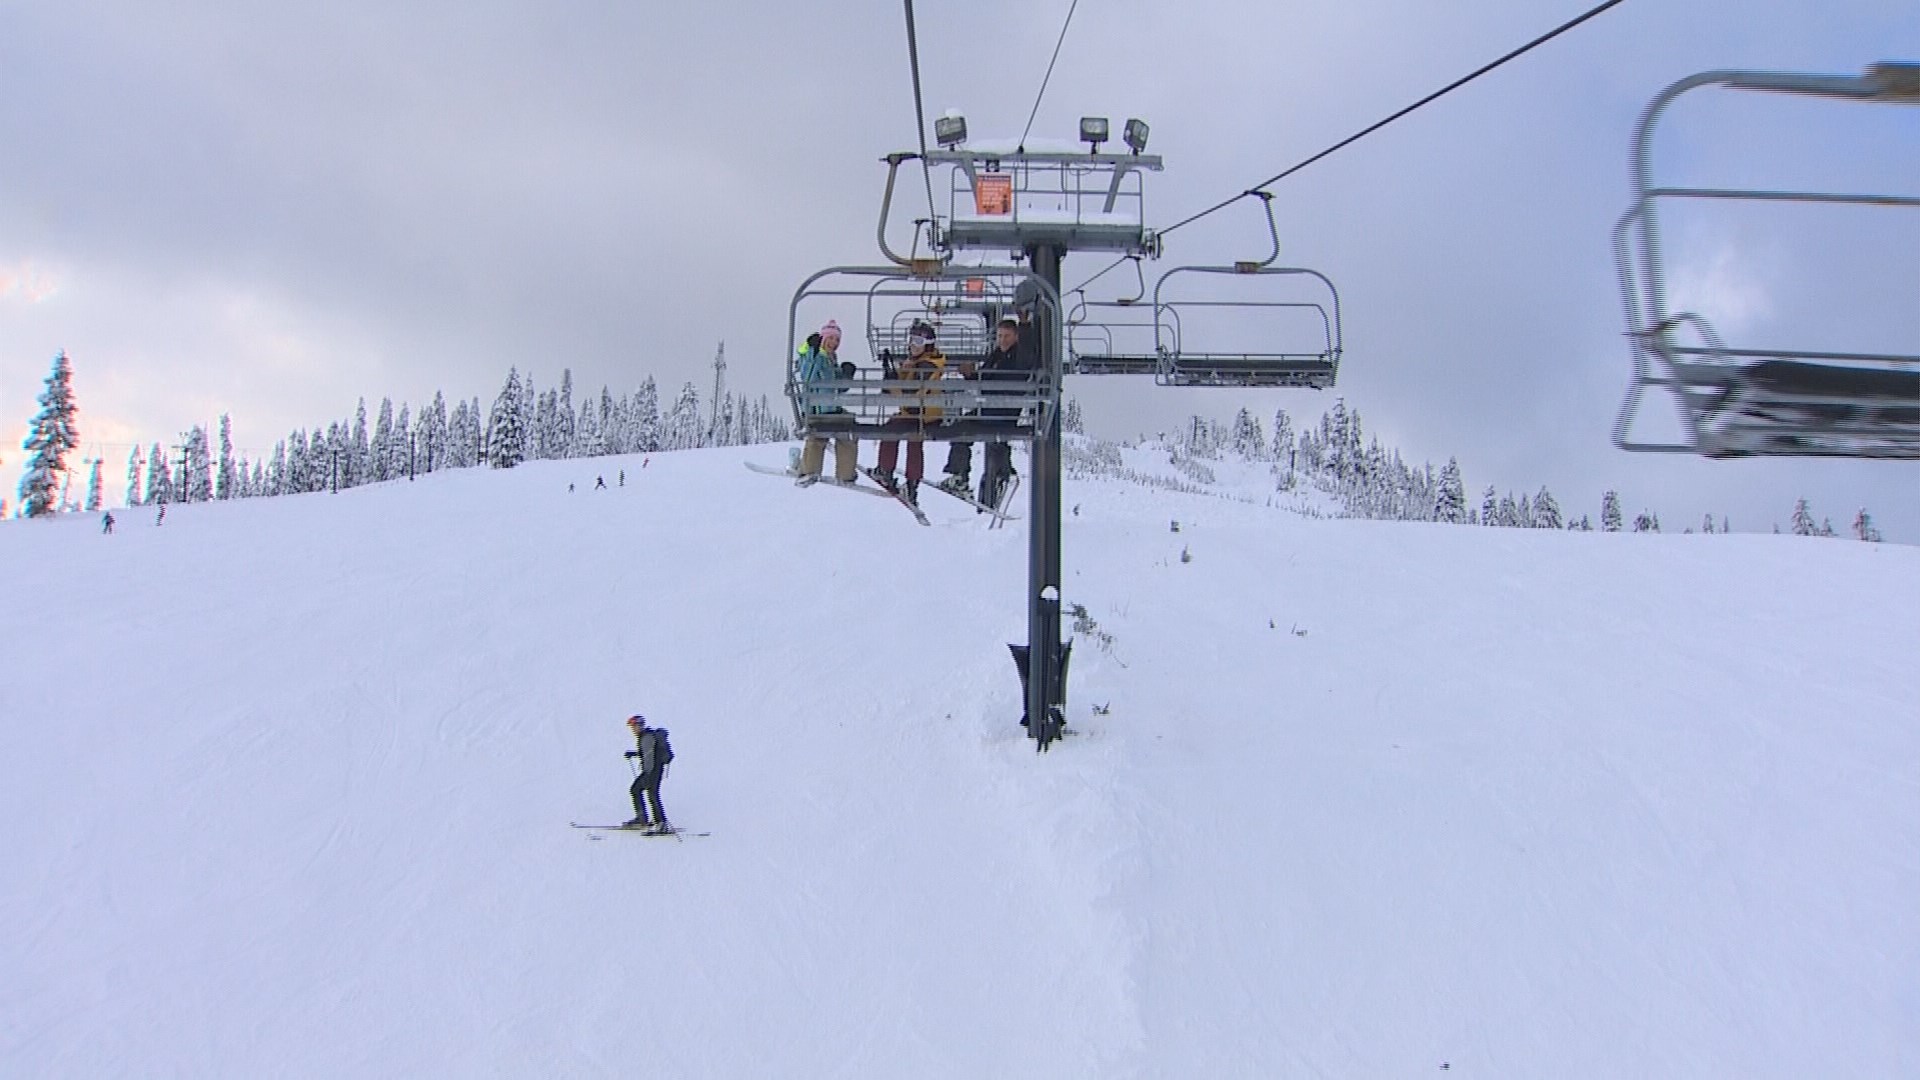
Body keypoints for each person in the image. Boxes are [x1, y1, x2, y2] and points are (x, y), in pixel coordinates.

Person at [872, 320, 947, 505]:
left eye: (918, 341)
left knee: (891, 430)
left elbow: (911, 391)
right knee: (912, 441)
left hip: (923, 414)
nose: (913, 345)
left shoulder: (927, 365)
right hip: (918, 413)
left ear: (928, 345)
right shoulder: (919, 363)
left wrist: (894, 384)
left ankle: (886, 471)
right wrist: (895, 373)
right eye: (912, 340)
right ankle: (910, 485)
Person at [978, 314, 1036, 509]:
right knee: (961, 431)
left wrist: (1025, 324)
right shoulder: (996, 355)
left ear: (1016, 337)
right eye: (1000, 336)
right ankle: (962, 476)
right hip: (989, 408)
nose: (1002, 340)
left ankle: (999, 482)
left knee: (996, 443)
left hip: (1003, 410)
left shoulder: (1018, 356)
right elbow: (984, 378)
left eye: (1007, 336)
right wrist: (971, 374)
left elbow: (1027, 354)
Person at [795, 320, 859, 486]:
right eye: (830, 339)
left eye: (837, 340)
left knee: (848, 432)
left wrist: (846, 377)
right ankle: (809, 471)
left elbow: (837, 388)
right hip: (816, 409)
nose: (834, 343)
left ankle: (845, 474)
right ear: (823, 338)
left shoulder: (830, 359)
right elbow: (807, 377)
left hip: (830, 408)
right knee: (817, 436)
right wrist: (813, 351)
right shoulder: (812, 356)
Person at [623, 715, 672, 831]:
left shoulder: (647, 737)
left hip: (652, 771)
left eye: (634, 727)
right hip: (654, 770)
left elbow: (649, 757)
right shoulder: (646, 737)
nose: (633, 730)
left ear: (639, 726)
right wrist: (633, 754)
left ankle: (657, 822)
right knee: (647, 793)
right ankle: (654, 821)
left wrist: (648, 775)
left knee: (643, 792)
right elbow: (647, 753)